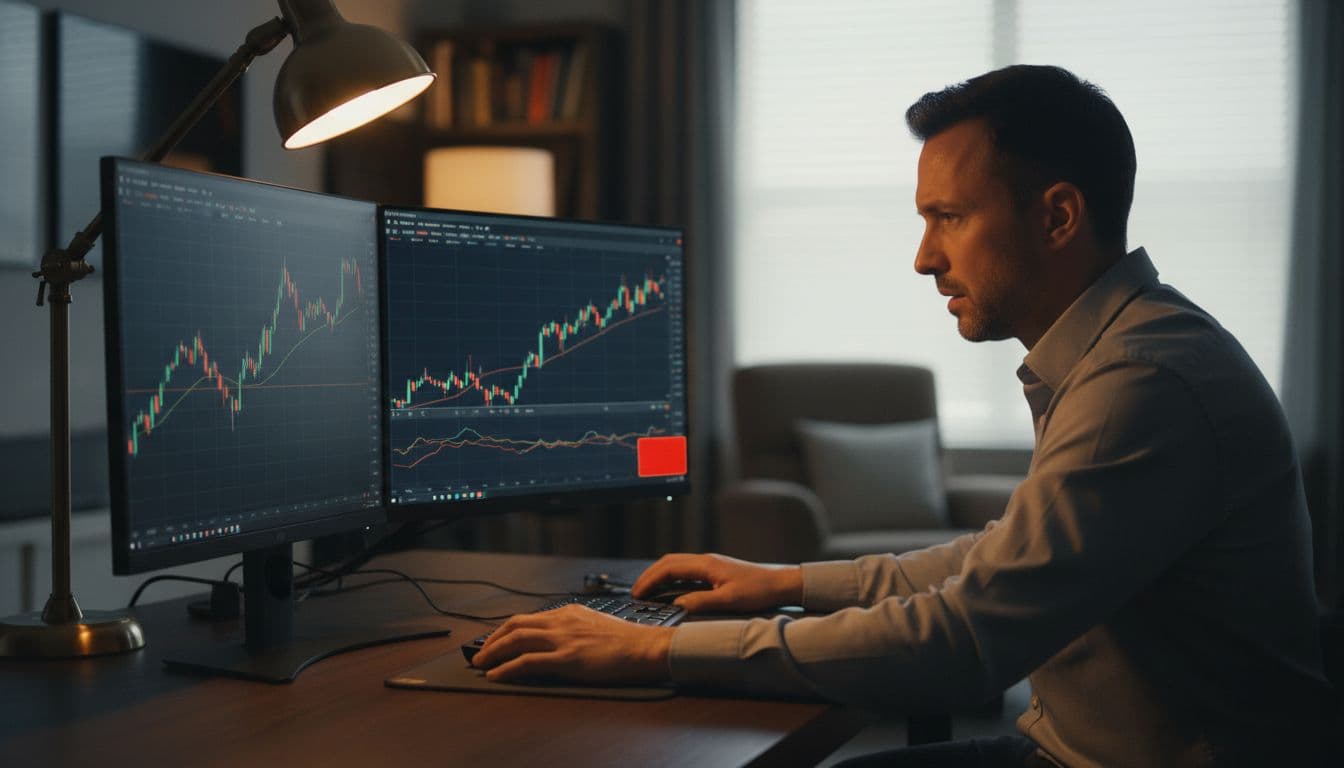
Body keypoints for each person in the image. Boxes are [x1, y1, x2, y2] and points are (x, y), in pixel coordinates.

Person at [470, 65, 1334, 766]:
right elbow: (1005, 559)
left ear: (1059, 215)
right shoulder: (1126, 351)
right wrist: (784, 582)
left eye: (948, 218)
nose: (924, 258)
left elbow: (964, 642)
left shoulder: (1142, 382)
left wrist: (650, 651)